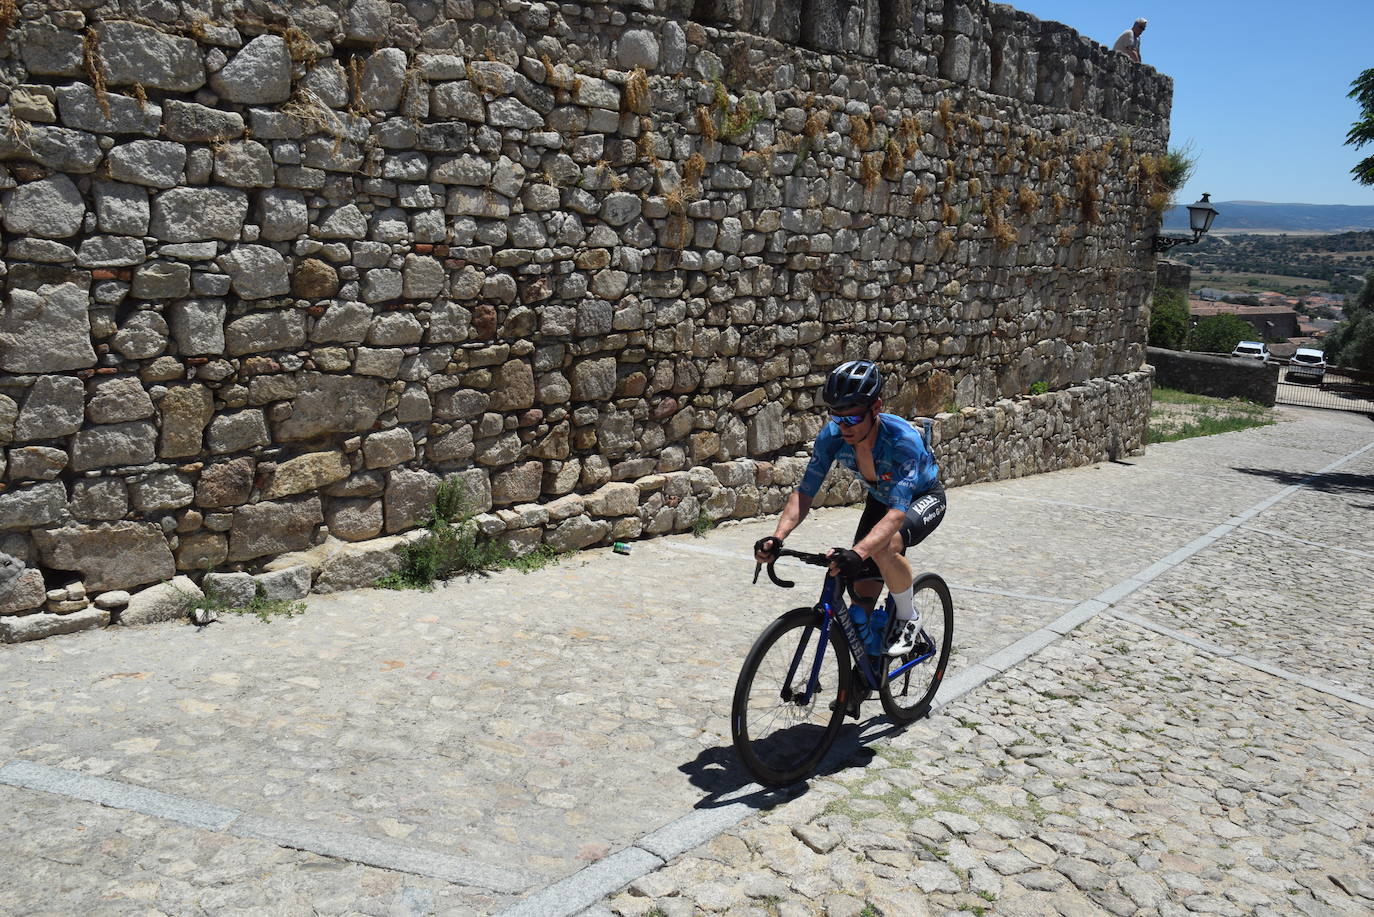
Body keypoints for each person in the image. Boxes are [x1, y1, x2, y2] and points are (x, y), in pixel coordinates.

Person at [753, 360, 946, 657]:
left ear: (875, 407)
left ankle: (908, 617)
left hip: (921, 498)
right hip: (881, 500)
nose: (844, 427)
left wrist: (859, 552)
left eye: (853, 419)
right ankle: (863, 677)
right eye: (836, 417)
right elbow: (804, 494)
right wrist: (778, 537)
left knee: (884, 548)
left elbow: (897, 514)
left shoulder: (902, 441)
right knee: (860, 609)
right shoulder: (833, 436)